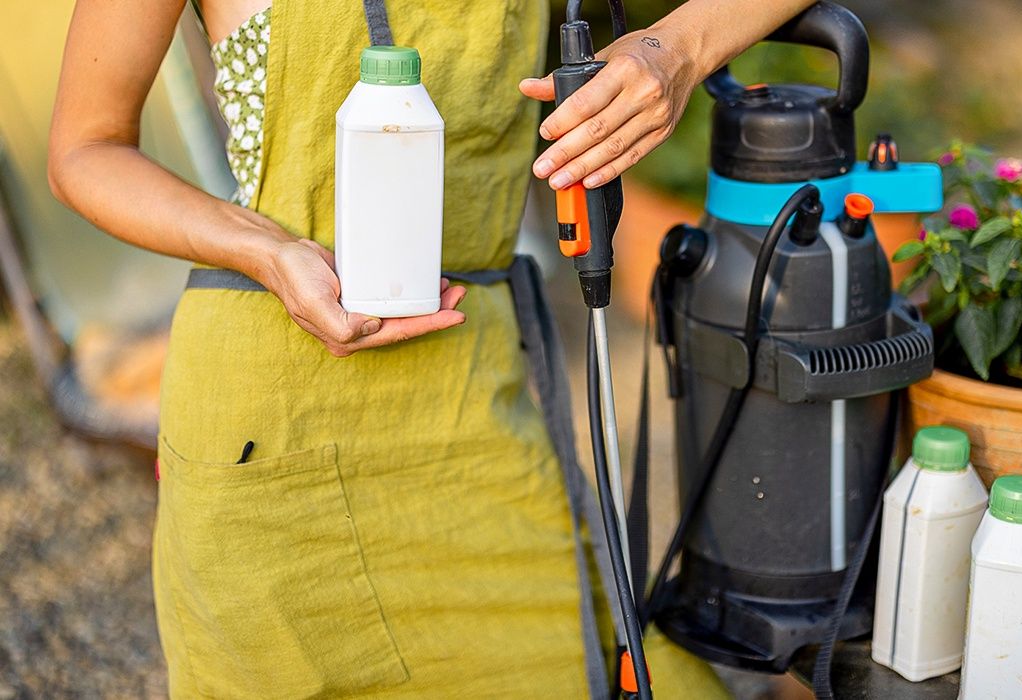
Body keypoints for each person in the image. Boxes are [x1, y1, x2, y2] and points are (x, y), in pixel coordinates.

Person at [48, 0, 816, 696]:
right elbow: (85, 148)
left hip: (475, 404)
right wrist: (266, 251)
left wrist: (676, 49)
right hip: (273, 445)